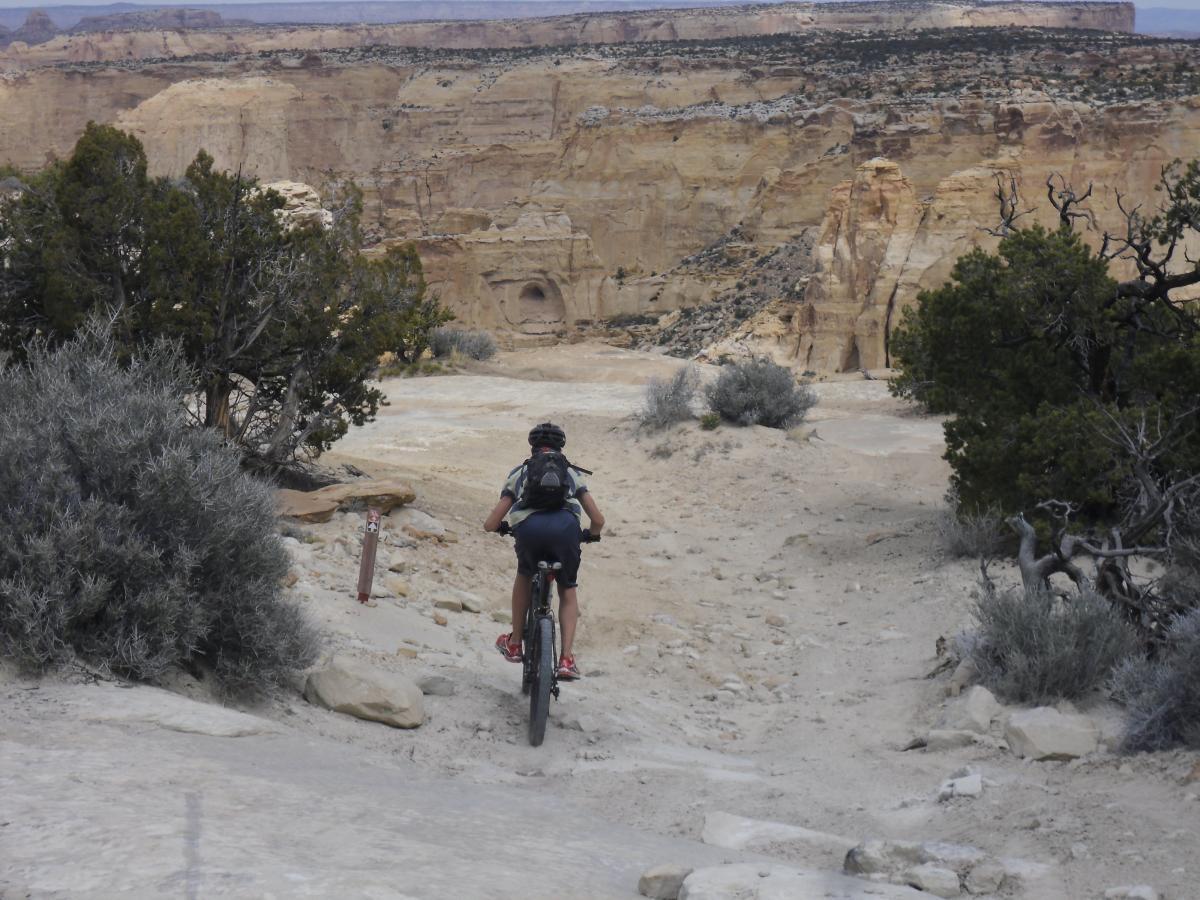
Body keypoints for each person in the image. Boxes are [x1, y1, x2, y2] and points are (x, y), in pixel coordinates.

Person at [483, 422, 604, 681]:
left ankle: (515, 643)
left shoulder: (521, 471)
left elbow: (491, 522)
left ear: (532, 446)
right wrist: (591, 534)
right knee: (568, 589)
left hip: (530, 531)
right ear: (561, 446)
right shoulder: (571, 472)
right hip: (566, 531)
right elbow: (598, 518)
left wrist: (499, 528)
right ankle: (566, 660)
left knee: (524, 575)